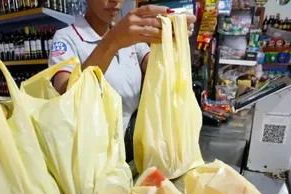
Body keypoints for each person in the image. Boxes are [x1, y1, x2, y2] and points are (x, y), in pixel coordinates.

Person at [49, 0, 196, 161]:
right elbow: (65, 95)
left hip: (134, 142)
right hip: (93, 152)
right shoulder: (66, 38)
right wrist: (113, 42)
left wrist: (171, 37)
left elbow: (158, 68)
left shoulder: (131, 37)